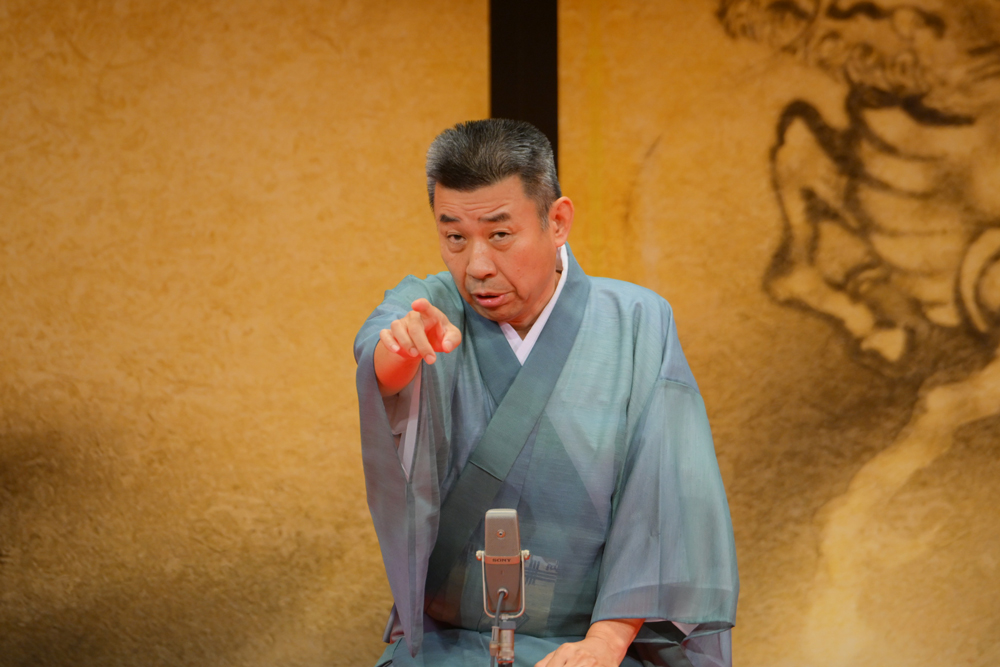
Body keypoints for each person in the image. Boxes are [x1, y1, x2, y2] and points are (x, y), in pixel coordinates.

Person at [354, 119, 738, 667]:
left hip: (594, 644)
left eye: (500, 235)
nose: (476, 266)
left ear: (557, 221)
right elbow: (379, 352)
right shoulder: (427, 306)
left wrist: (606, 642)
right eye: (455, 237)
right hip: (451, 643)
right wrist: (403, 349)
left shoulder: (637, 322)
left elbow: (660, 499)